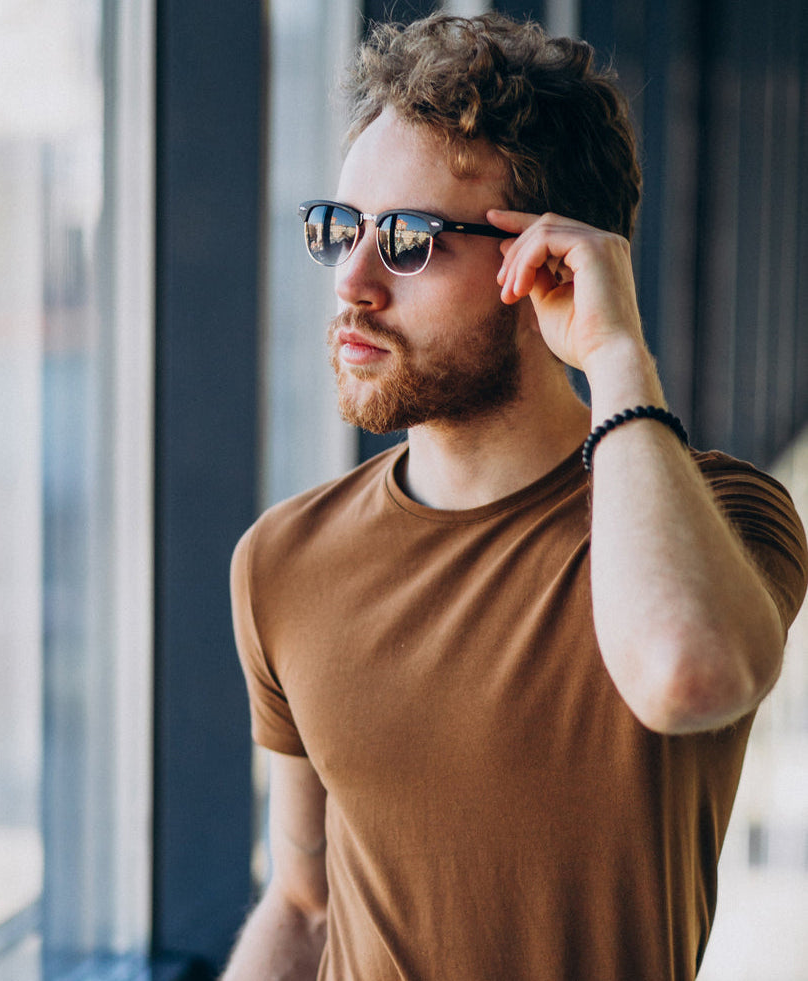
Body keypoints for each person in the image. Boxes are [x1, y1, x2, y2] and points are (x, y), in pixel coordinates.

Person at [223, 12, 808, 981]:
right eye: (340, 231)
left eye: (408, 241)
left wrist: (618, 354)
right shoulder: (284, 559)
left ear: (548, 263)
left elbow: (685, 675)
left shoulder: (726, 521)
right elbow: (304, 903)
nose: (353, 284)